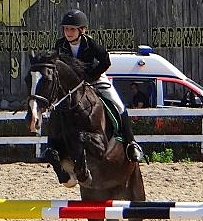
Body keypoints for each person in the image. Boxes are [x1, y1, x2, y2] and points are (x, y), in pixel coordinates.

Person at [53, 9, 143, 162]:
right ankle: (53, 145)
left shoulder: (90, 44)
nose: (68, 32)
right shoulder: (60, 44)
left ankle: (131, 143)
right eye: (66, 28)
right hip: (72, 85)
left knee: (119, 105)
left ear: (81, 30)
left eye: (72, 29)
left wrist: (91, 76)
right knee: (56, 107)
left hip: (94, 78)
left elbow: (106, 61)